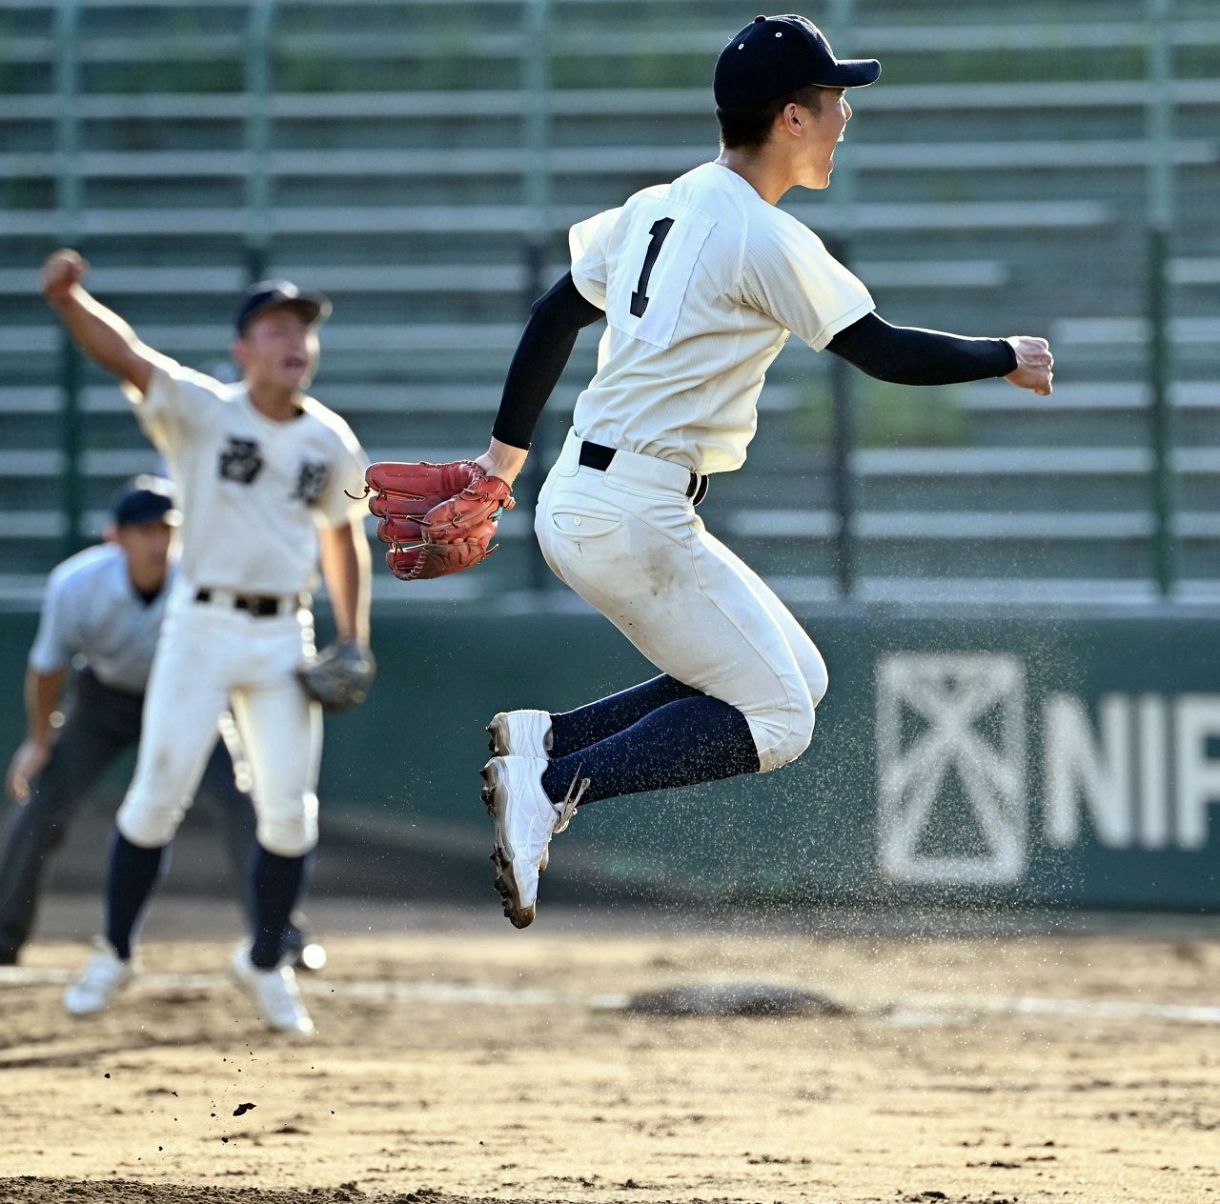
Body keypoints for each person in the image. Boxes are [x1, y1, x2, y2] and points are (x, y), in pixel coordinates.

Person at [462, 15, 1054, 927]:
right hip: (632, 512)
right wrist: (1002, 352)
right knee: (780, 721)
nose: (845, 117)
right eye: (834, 99)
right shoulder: (759, 236)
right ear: (790, 117)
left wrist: (502, 466)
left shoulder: (660, 201)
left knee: (797, 678)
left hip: (592, 496)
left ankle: (552, 741)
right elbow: (884, 352)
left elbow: (553, 313)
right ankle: (548, 783)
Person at [42, 253, 373, 1035]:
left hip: (280, 634)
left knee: (291, 815)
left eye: (304, 331)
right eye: (277, 328)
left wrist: (352, 637)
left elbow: (343, 540)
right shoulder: (202, 409)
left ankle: (263, 960)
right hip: (200, 625)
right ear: (243, 349)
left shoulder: (329, 438)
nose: (295, 341)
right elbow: (125, 354)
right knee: (157, 796)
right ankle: (115, 951)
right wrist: (69, 299)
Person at [0, 477, 319, 970]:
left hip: (190, 697)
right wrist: (39, 741)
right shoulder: (76, 584)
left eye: (166, 530)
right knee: (43, 802)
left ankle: (279, 936)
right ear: (116, 537)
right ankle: (3, 935)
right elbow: (48, 667)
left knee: (244, 802)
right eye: (144, 531)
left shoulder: (201, 580)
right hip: (105, 699)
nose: (157, 542)